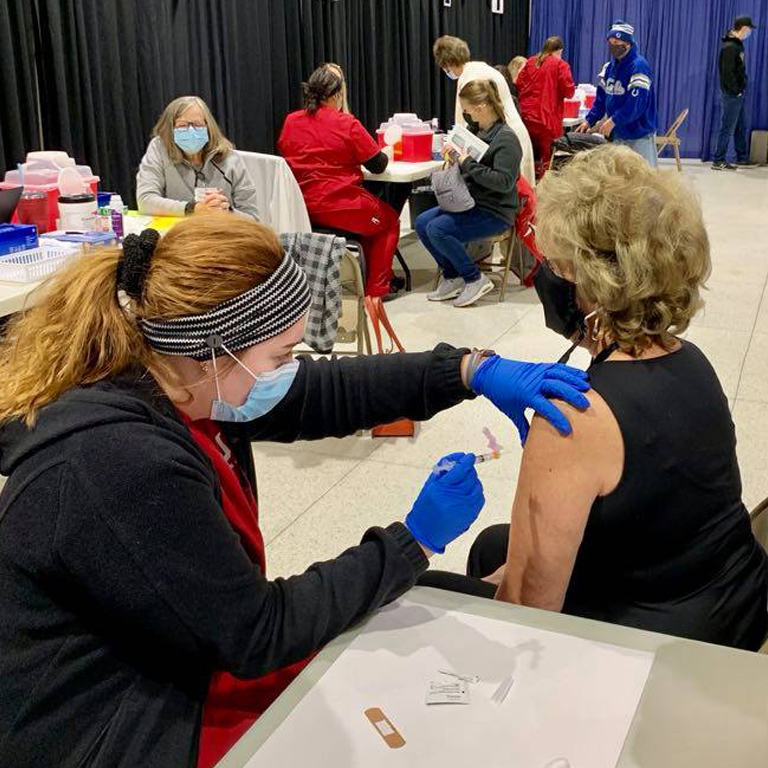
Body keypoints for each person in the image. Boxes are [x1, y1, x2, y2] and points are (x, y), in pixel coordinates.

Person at [0, 212, 592, 767]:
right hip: (107, 728)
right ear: (216, 350)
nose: (291, 367)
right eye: (282, 354)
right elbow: (257, 632)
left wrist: (468, 370)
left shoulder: (176, 377)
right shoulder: (120, 464)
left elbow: (324, 391)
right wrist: (412, 540)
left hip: (167, 654)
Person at [425, 145, 768, 651]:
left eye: (558, 267)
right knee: (493, 546)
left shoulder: (571, 416)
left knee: (424, 592)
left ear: (598, 285)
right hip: (737, 601)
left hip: (663, 649)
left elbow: (526, 608)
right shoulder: (692, 359)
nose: (547, 278)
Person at [278, 66, 398, 303]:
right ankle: (377, 290)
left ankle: (364, 276)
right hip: (341, 205)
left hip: (302, 206)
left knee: (371, 220)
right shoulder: (346, 123)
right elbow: (378, 165)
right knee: (389, 222)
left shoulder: (291, 121)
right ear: (336, 95)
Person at [416, 80, 521, 308]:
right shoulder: (477, 131)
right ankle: (452, 276)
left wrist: (467, 162)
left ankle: (474, 278)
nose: (465, 113)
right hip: (469, 201)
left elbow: (503, 183)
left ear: (482, 106)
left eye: (467, 109)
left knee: (437, 229)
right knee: (423, 223)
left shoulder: (506, 139)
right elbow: (469, 168)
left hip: (494, 210)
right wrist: (454, 156)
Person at [136, 95, 260, 220]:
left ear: (209, 126)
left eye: (198, 124)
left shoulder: (230, 158)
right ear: (170, 129)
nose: (191, 130)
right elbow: (145, 201)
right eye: (182, 125)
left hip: (222, 231)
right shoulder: (159, 148)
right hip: (178, 232)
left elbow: (253, 218)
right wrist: (192, 209)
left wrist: (227, 211)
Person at [433, 35, 535, 184]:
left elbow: (464, 128)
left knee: (512, 189)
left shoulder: (469, 80)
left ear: (447, 63)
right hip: (513, 135)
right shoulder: (481, 68)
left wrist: (454, 149)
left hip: (503, 142)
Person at [576, 21, 658, 167]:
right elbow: (601, 100)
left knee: (644, 181)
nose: (613, 45)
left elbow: (637, 104)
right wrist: (589, 120)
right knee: (620, 182)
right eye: (611, 41)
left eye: (617, 42)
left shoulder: (639, 66)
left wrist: (614, 120)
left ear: (627, 44)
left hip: (638, 135)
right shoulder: (609, 68)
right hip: (618, 134)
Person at [516, 36, 575, 175]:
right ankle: (543, 189)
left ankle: (527, 186)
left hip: (526, 116)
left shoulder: (530, 61)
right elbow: (569, 91)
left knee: (527, 155)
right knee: (547, 160)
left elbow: (518, 82)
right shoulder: (560, 65)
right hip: (546, 118)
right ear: (559, 51)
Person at [713, 15, 759, 171]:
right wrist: (736, 91)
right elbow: (727, 73)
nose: (749, 32)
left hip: (737, 94)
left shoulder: (736, 45)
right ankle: (718, 160)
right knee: (727, 127)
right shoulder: (730, 47)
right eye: (748, 29)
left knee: (740, 126)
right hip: (732, 95)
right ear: (744, 28)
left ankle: (742, 157)